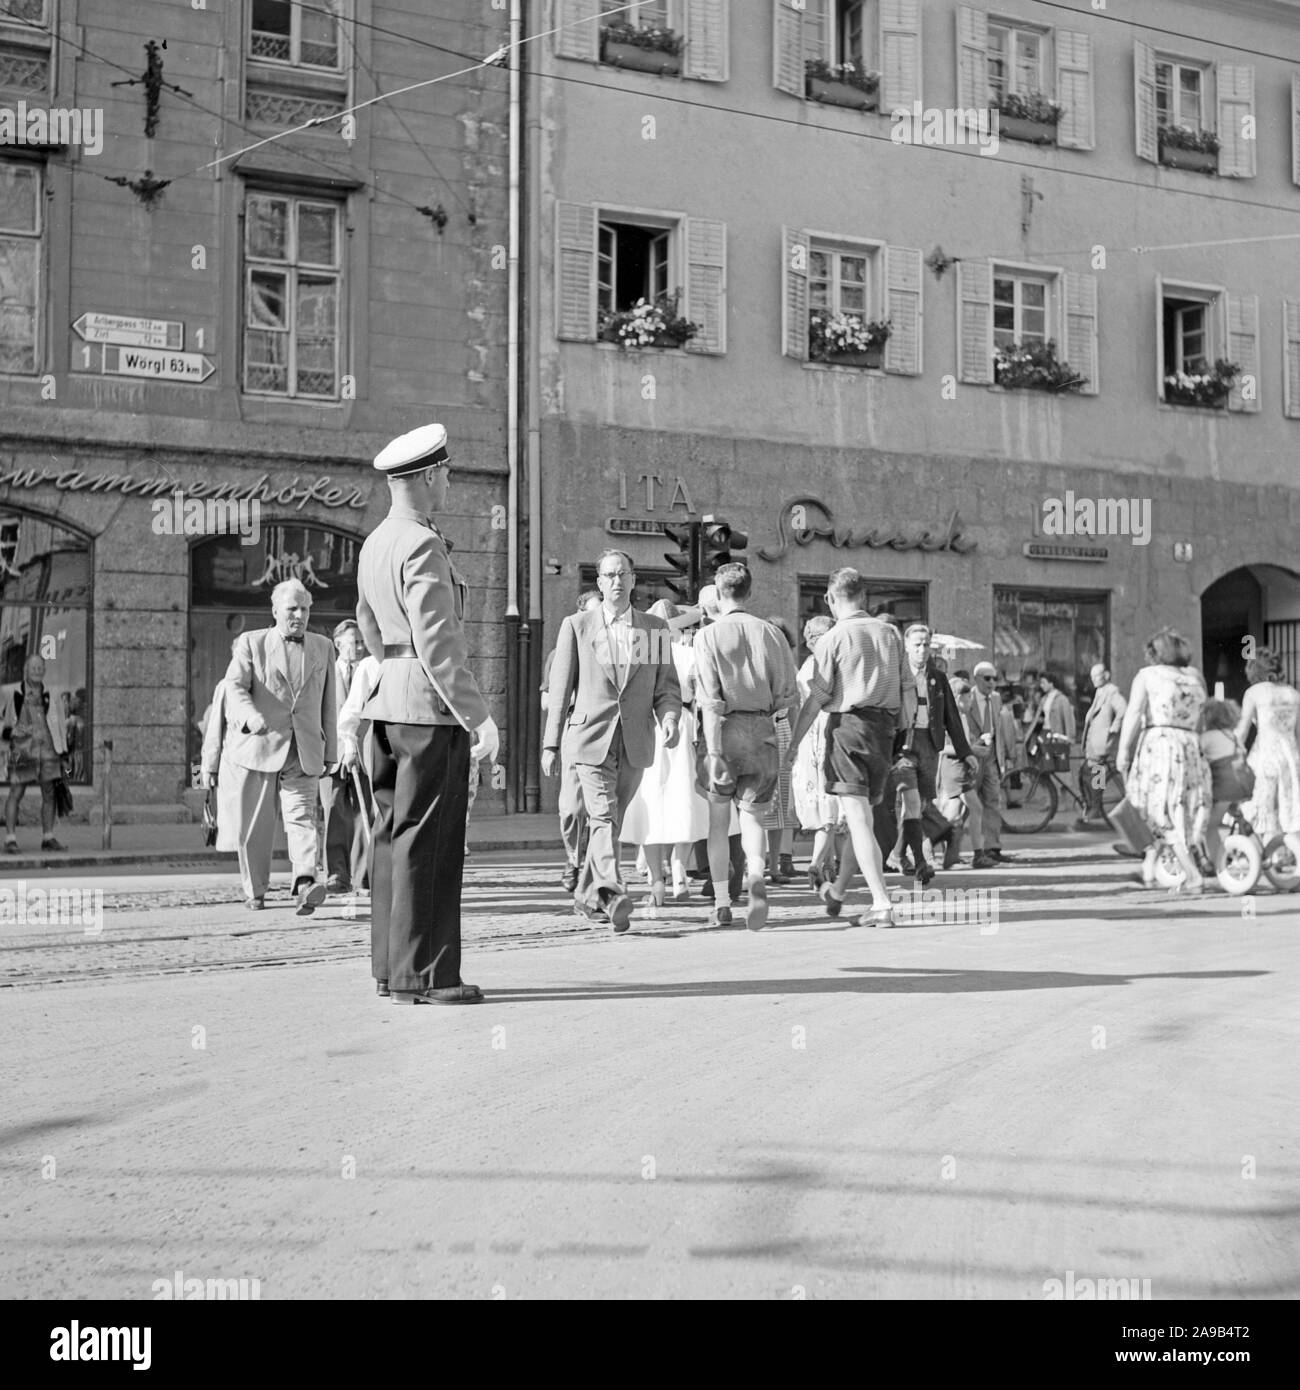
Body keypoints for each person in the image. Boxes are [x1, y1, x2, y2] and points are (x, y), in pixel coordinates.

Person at [356, 423, 499, 1005]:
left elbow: (367, 621)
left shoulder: (375, 542)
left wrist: (391, 672)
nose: (449, 481)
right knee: (432, 842)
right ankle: (433, 974)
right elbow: (439, 644)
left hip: (387, 702)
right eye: (446, 473)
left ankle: (392, 971)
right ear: (429, 475)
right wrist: (478, 717)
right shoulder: (421, 543)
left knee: (392, 839)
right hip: (429, 712)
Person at [542, 550, 681, 932]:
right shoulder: (577, 625)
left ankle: (588, 898)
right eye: (609, 575)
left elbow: (665, 688)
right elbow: (560, 689)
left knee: (610, 821)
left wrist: (670, 718)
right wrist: (551, 743)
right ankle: (612, 891)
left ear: (634, 580)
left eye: (623, 574)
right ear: (599, 582)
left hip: (635, 739)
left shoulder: (653, 629)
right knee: (602, 814)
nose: (617, 581)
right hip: (589, 737)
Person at [786, 568, 916, 928]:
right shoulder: (890, 633)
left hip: (850, 728)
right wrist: (902, 737)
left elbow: (818, 698)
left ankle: (881, 902)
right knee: (862, 819)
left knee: (857, 819)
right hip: (885, 730)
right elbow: (909, 689)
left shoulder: (833, 638)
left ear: (830, 598)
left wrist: (794, 744)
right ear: (865, 597)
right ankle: (839, 891)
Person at [215, 580, 337, 913]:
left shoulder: (323, 646)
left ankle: (304, 881)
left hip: (304, 748)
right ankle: (255, 889)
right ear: (274, 611)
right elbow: (234, 687)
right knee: (257, 825)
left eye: (305, 609)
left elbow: (330, 703)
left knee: (303, 818)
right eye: (292, 609)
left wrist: (331, 752)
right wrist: (251, 717)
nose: (300, 615)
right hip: (259, 746)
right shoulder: (251, 644)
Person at [691, 564, 798, 931]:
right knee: (754, 817)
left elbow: (709, 699)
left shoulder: (708, 636)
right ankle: (756, 878)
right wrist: (791, 742)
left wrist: (714, 749)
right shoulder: (772, 634)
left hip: (724, 730)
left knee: (718, 823)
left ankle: (722, 902)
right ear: (749, 593)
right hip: (764, 731)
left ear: (719, 594)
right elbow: (789, 695)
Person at [619, 599, 709, 906]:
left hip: (648, 725)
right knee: (683, 796)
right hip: (680, 724)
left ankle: (657, 880)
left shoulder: (641, 653)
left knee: (651, 800)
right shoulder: (687, 653)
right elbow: (702, 693)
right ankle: (680, 870)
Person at [1116, 627, 1211, 892]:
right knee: (1184, 805)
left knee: (1160, 809)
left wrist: (1123, 751)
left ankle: (1192, 873)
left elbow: (1134, 714)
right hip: (1190, 745)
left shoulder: (1147, 676)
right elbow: (1202, 715)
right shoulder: (1195, 678)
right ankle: (1149, 867)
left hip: (1160, 746)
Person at [892, 623, 979, 882]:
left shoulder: (938, 677)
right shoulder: (896, 673)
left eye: (926, 645)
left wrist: (966, 752)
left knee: (920, 804)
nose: (922, 650)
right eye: (917, 645)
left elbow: (951, 716)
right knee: (912, 801)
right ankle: (921, 859)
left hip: (929, 744)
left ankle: (898, 854)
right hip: (903, 745)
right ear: (906, 646)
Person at [543, 590, 601, 893]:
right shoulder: (560, 651)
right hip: (573, 729)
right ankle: (573, 858)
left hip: (604, 731)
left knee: (600, 808)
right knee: (571, 807)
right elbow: (545, 700)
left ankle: (591, 865)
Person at [791, 615, 849, 892]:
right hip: (821, 737)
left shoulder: (809, 666)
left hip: (814, 738)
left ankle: (828, 866)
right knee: (830, 810)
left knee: (831, 813)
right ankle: (817, 864)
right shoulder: (817, 667)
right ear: (813, 640)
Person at [1234, 649, 1300, 870]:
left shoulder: (1255, 692)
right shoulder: (1292, 693)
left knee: (1261, 806)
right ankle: (1281, 855)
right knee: (1286, 807)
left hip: (1265, 755)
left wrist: (1231, 750)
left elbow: (1243, 729)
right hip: (1291, 756)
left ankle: (1264, 855)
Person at [320, 619, 370, 895]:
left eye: (363, 641)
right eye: (355, 641)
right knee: (335, 812)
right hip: (333, 754)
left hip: (364, 754)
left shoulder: (371, 670)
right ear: (338, 643)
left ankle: (364, 875)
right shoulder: (327, 672)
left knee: (366, 814)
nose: (360, 647)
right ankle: (338, 873)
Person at [2, 654, 69, 853]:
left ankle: (48, 837)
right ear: (26, 670)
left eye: (40, 668)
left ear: (45, 670)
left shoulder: (51, 694)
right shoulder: (13, 693)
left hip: (48, 750)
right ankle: (10, 839)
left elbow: (61, 724)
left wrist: (64, 751)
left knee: (49, 794)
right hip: (22, 751)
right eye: (34, 668)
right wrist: (8, 732)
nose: (37, 671)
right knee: (16, 792)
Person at [760, 615, 799, 883]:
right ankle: (755, 862)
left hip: (781, 730)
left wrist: (794, 743)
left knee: (780, 802)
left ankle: (773, 865)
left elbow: (794, 706)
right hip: (758, 729)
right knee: (754, 801)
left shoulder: (790, 670)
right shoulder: (756, 663)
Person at [966, 659, 1015, 869]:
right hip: (971, 757)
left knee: (993, 802)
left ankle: (992, 848)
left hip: (992, 759)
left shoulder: (996, 699)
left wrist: (1005, 757)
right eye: (987, 678)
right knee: (963, 806)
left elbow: (1000, 730)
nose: (992, 682)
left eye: (995, 678)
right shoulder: (966, 698)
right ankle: (947, 847)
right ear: (976, 679)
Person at [1075, 663, 1127, 829]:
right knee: (1085, 773)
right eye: (1092, 676)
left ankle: (1096, 808)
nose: (1094, 679)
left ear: (1106, 675)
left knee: (1096, 775)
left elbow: (1123, 709)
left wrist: (1115, 725)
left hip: (1101, 743)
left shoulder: (1111, 692)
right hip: (1093, 743)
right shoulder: (1100, 692)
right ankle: (1091, 806)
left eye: (1096, 675)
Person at [1199, 698, 1246, 871]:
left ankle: (1219, 862)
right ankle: (1251, 850)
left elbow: (1197, 760)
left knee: (1209, 827)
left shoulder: (1206, 737)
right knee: (1240, 821)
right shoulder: (1232, 735)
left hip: (1222, 788)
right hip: (1241, 786)